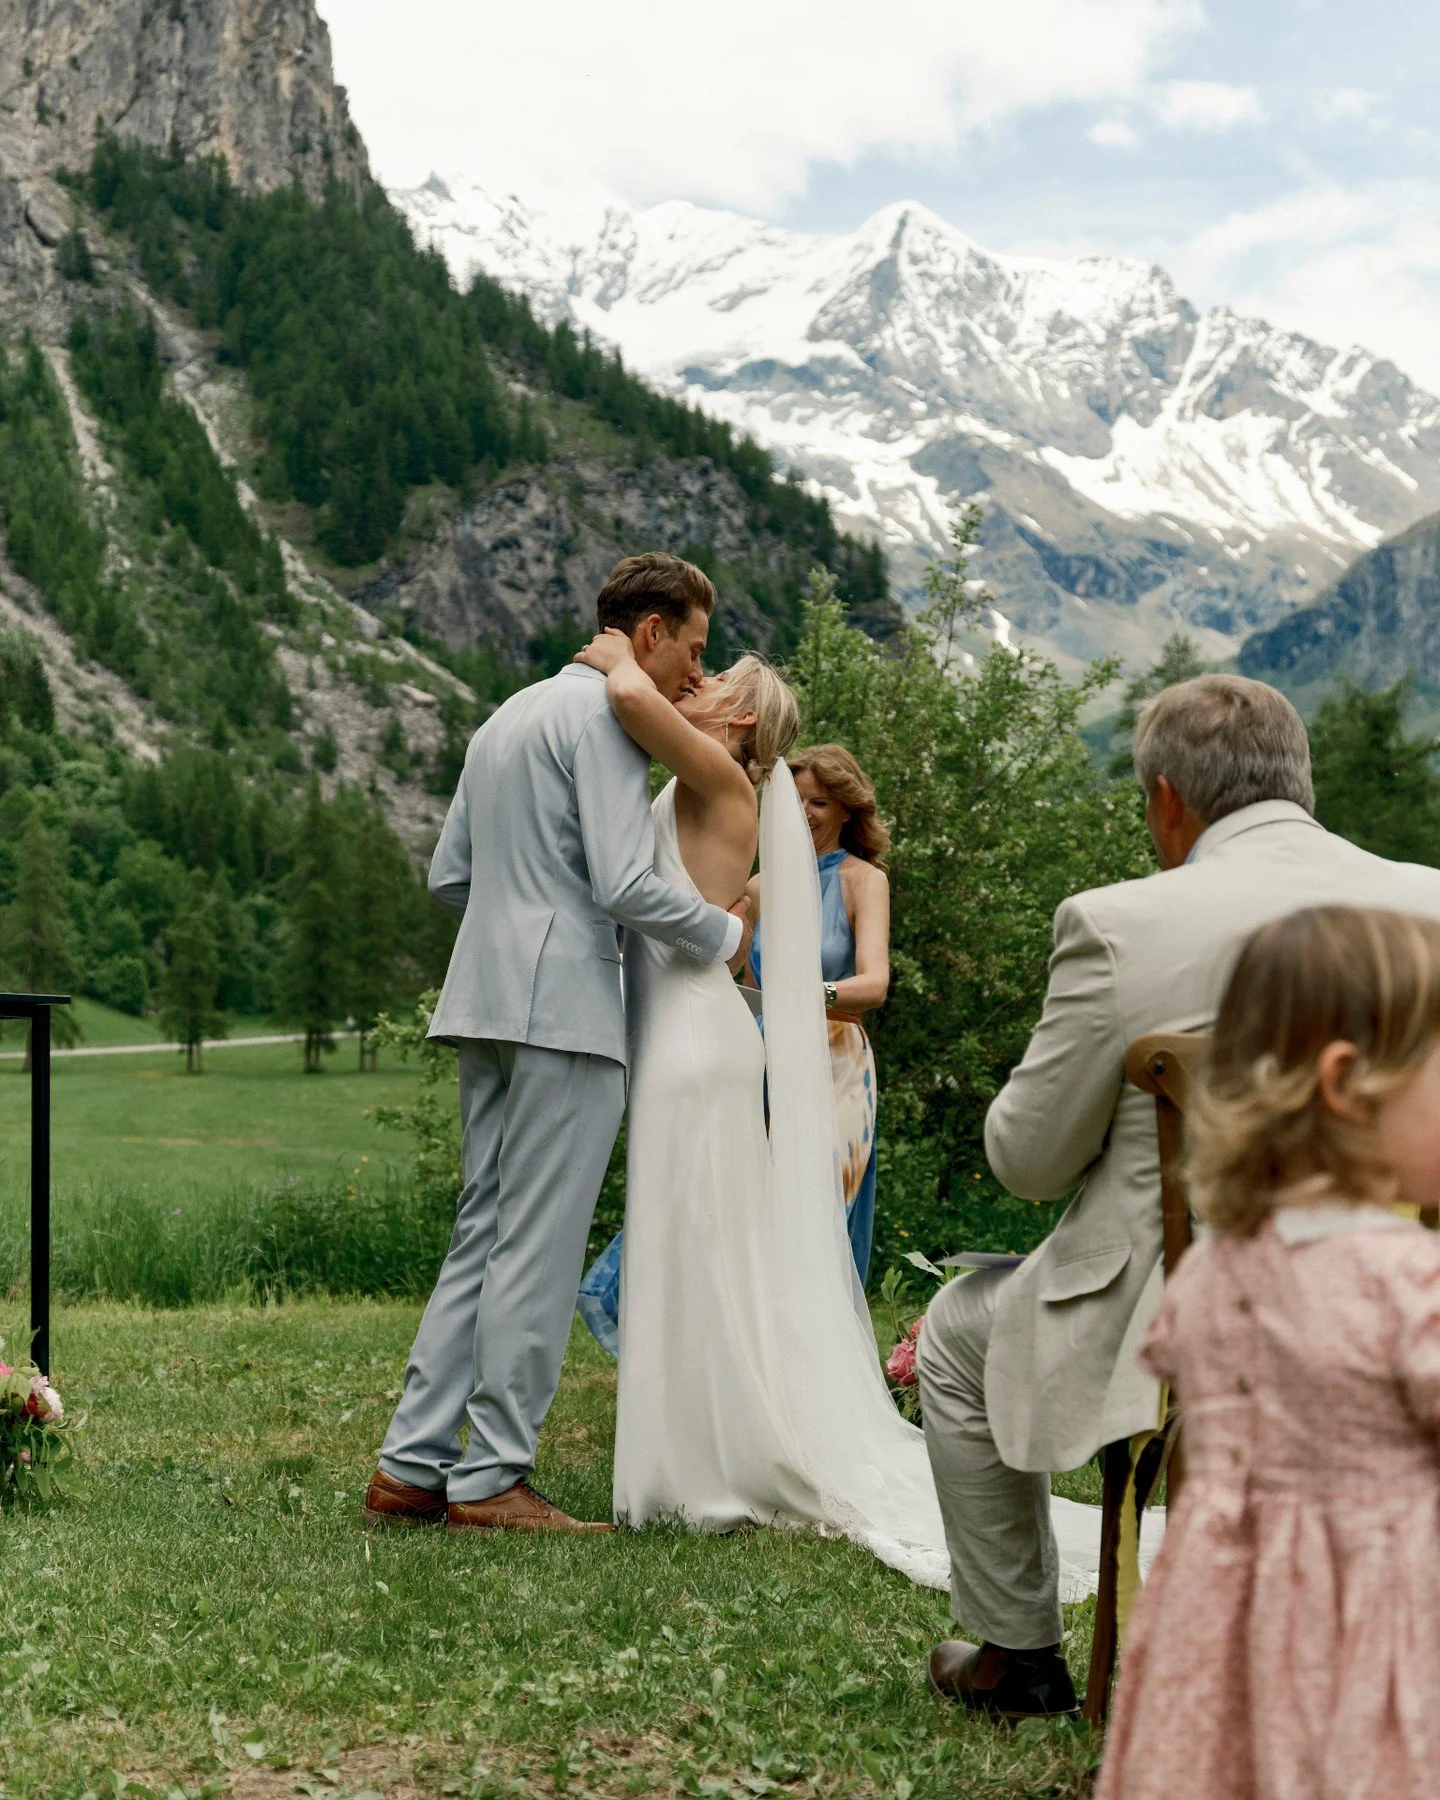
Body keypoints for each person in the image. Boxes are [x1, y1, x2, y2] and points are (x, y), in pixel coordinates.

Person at [918, 673, 1440, 1718]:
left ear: (1167, 798)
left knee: (952, 1334)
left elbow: (1027, 1164)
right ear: (1299, 780)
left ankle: (1017, 1653)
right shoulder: (1428, 898)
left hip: (1192, 1314)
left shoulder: (1117, 926)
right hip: (1412, 1292)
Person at [362, 554, 746, 1537]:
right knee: (536, 1244)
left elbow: (454, 876)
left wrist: (517, 914)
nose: (693, 682)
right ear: (649, 632)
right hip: (564, 1010)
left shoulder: (507, 716)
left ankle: (411, 1464)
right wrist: (723, 935)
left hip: (483, 1000)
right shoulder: (608, 722)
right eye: (691, 653)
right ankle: (492, 1478)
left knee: (483, 1233)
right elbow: (621, 881)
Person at [574, 627, 950, 1584]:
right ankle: (691, 1449)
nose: (692, 681)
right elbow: (725, 931)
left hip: (696, 1047)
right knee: (691, 1243)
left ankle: (705, 1463)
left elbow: (628, 697)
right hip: (685, 1029)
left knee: (694, 1243)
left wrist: (614, 652)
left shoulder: (720, 773)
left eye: (715, 679)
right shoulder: (711, 784)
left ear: (737, 720)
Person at [1097, 905, 1440, 1800]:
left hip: (1222, 1621)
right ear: (1347, 1084)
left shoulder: (1215, 1269)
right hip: (1376, 1615)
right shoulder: (1410, 1285)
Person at [743, 745, 891, 1282]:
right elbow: (749, 987)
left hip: (838, 1061)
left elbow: (874, 983)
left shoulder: (863, 880)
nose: (805, 813)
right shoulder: (757, 889)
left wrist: (811, 995)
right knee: (760, 1202)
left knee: (822, 1202)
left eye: (820, 802)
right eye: (796, 800)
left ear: (847, 809)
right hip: (765, 1058)